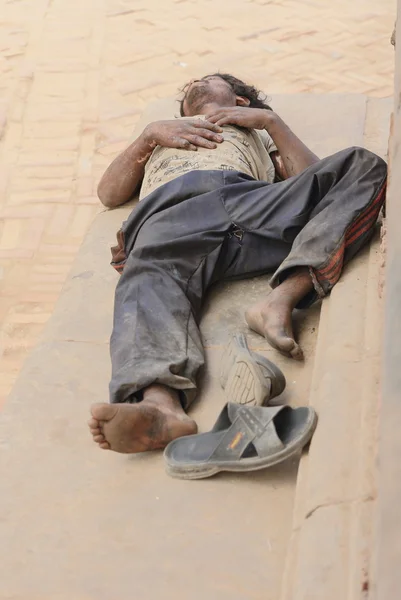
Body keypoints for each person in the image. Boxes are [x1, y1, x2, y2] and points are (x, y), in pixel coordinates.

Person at [88, 73, 387, 454]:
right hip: (169, 218)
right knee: (145, 282)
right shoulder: (163, 134)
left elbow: (314, 177)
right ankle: (159, 406)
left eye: (210, 79)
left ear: (241, 102)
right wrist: (148, 136)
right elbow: (109, 194)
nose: (196, 82)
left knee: (362, 165)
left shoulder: (256, 133)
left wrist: (271, 123)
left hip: (247, 202)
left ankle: (281, 298)